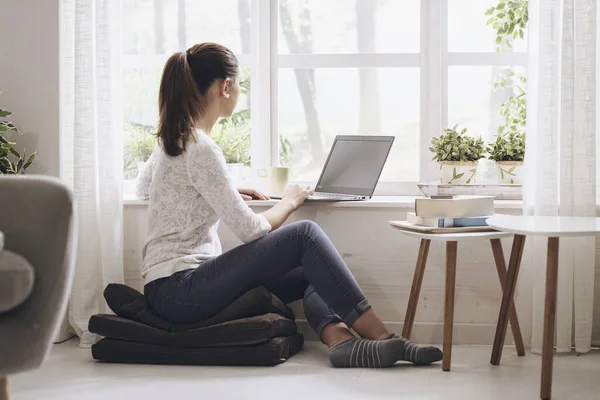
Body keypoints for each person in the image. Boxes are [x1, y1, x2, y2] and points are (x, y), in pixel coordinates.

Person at [137, 42, 442, 368]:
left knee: (315, 269)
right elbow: (251, 229)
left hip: (170, 289)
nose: (239, 92)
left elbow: (146, 189)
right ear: (226, 86)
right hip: (180, 291)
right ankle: (386, 339)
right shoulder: (201, 147)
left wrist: (221, 189)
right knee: (305, 235)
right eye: (239, 85)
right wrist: (290, 201)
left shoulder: (174, 139)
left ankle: (341, 343)